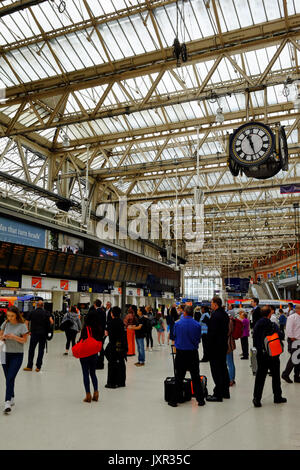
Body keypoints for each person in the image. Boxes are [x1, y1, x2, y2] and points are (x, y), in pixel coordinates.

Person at [168, 305, 205, 407]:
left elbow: (174, 336)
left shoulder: (178, 324)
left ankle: (174, 400)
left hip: (181, 353)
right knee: (195, 377)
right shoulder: (197, 325)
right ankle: (200, 400)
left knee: (179, 377)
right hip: (193, 353)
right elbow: (198, 339)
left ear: (184, 313)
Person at [252, 306, 286, 407]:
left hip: (261, 355)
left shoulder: (257, 325)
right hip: (273, 354)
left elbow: (255, 340)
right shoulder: (272, 325)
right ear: (269, 314)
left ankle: (257, 398)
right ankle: (277, 397)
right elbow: (281, 336)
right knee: (275, 376)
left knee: (260, 377)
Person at [0, 306, 28, 413]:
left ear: (17, 315)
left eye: (12, 316)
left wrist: (13, 337)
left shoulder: (22, 326)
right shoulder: (5, 323)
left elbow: (24, 340)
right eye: (8, 315)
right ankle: (11, 396)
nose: (10, 318)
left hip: (17, 355)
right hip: (4, 353)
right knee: (8, 378)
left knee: (11, 377)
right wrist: (3, 337)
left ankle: (7, 402)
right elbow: (0, 335)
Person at [206, 296, 230, 402]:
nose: (210, 305)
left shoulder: (215, 316)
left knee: (216, 370)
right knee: (223, 369)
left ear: (215, 304)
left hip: (215, 347)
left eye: (211, 303)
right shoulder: (224, 314)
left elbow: (212, 333)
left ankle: (218, 394)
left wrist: (208, 348)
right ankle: (225, 392)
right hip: (223, 345)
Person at [78, 312, 103, 403]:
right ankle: (96, 393)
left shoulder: (86, 329)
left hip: (85, 354)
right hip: (94, 353)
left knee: (85, 373)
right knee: (93, 373)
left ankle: (88, 395)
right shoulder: (98, 328)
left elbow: (81, 340)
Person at [24, 300, 54, 372]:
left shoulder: (32, 312)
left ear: (37, 305)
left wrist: (27, 331)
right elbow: (51, 321)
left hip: (34, 333)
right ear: (43, 305)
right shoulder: (47, 312)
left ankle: (29, 366)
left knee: (31, 350)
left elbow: (26, 322)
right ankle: (38, 367)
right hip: (43, 334)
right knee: (41, 350)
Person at [104, 306, 128, 389]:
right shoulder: (121, 322)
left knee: (112, 363)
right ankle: (121, 382)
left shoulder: (110, 322)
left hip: (113, 345)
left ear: (112, 314)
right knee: (121, 362)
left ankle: (112, 383)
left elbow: (107, 333)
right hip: (121, 345)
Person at [281, 307, 300, 384]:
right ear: (298, 309)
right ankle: (285, 374)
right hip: (294, 340)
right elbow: (288, 329)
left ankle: (296, 376)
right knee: (293, 358)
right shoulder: (292, 317)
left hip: (298, 340)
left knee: (298, 359)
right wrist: (292, 338)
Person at [86, 299, 106, 369]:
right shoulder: (103, 312)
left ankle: (95, 362)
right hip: (101, 333)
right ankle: (101, 362)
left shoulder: (93, 312)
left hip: (94, 333)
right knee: (101, 347)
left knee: (94, 348)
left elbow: (90, 323)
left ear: (95, 304)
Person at [226, 313, 236, 386]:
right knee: (230, 362)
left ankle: (230, 379)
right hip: (230, 343)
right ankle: (232, 378)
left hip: (228, 344)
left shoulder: (228, 321)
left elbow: (228, 332)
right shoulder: (230, 321)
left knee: (229, 362)